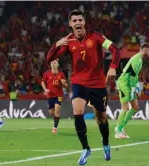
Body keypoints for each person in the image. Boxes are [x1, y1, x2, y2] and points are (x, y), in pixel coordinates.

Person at [47, 10, 120, 165]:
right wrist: (56, 45)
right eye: (74, 20)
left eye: (80, 20)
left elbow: (115, 49)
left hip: (98, 85)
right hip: (79, 84)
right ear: (70, 24)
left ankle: (106, 143)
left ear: (84, 22)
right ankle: (86, 148)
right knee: (77, 111)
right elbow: (50, 59)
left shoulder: (96, 36)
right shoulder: (68, 41)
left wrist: (113, 66)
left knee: (101, 118)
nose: (78, 23)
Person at [115, 43, 149, 139]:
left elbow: (135, 75)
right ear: (144, 50)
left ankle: (120, 127)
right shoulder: (136, 59)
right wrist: (135, 89)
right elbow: (131, 76)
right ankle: (118, 132)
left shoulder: (140, 59)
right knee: (125, 108)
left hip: (130, 84)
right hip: (124, 84)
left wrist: (137, 88)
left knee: (135, 107)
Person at [41, 60, 68, 133]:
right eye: (52, 63)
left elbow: (66, 86)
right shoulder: (47, 73)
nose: (53, 64)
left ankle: (55, 127)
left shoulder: (61, 74)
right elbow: (42, 82)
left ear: (58, 65)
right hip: (50, 96)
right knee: (51, 113)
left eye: (55, 63)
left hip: (59, 95)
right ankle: (50, 107)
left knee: (57, 110)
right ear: (50, 65)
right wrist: (45, 89)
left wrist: (63, 83)